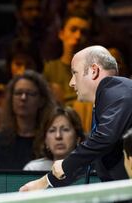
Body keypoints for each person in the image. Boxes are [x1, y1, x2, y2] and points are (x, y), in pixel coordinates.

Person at [19, 45, 132, 191]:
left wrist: (63, 166)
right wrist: (46, 182)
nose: (71, 82)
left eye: (75, 73)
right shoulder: (110, 98)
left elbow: (103, 139)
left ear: (94, 70)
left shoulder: (117, 91)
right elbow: (92, 153)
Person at [0, 70, 56, 170]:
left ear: (41, 100)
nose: (23, 98)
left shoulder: (50, 140)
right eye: (18, 93)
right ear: (11, 99)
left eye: (30, 93)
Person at [24, 106, 85, 171]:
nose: (58, 136)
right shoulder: (33, 169)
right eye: (52, 130)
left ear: (78, 138)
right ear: (46, 140)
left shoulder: (91, 169)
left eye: (65, 129)